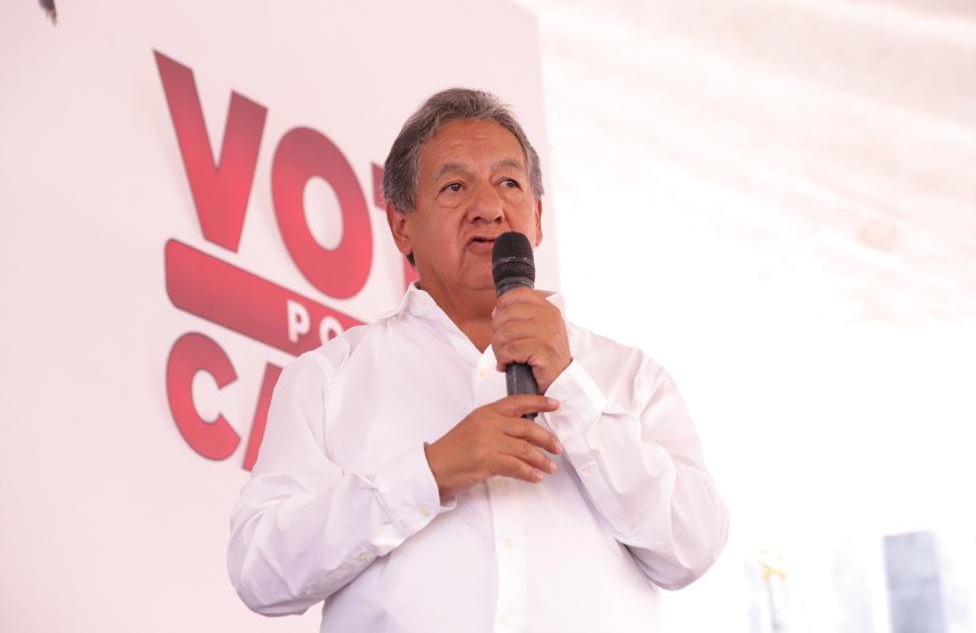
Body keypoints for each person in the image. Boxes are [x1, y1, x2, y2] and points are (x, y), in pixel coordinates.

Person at [227, 88, 728, 632]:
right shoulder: (328, 379)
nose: (489, 207)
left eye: (509, 183)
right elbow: (261, 573)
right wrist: (429, 473)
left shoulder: (630, 377)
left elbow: (691, 548)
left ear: (538, 217)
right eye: (455, 186)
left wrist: (571, 388)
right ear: (401, 226)